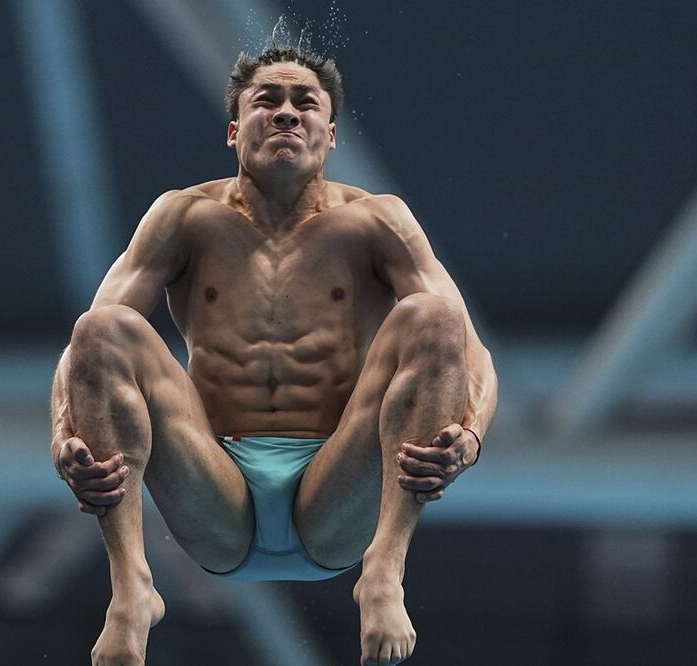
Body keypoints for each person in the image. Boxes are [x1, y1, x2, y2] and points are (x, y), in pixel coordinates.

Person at [50, 46, 497, 666]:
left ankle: (384, 573)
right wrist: (61, 438)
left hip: (337, 489)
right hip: (213, 485)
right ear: (234, 130)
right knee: (102, 328)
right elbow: (82, 355)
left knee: (438, 316)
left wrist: (470, 436)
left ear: (330, 134)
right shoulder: (182, 217)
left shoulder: (378, 221)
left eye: (304, 102)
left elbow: (473, 356)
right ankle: (131, 587)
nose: (286, 113)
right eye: (267, 100)